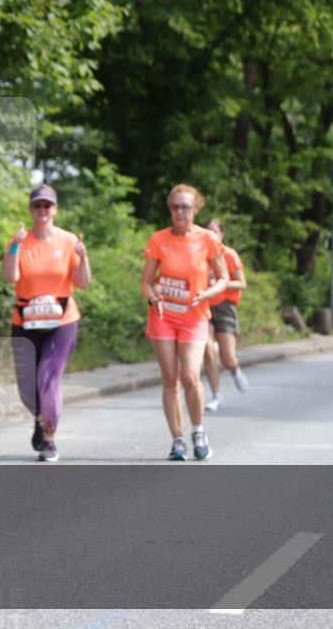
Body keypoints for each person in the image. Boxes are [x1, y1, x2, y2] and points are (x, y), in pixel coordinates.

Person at [2, 184, 91, 462]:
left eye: (47, 206)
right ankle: (41, 418)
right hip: (25, 321)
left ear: (55, 209)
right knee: (27, 385)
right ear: (31, 209)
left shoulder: (67, 241)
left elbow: (83, 283)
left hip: (61, 321)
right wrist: (15, 246)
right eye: (37, 205)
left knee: (48, 378)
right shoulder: (20, 240)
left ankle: (50, 439)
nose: (42, 210)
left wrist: (84, 256)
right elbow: (9, 277)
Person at [140, 184, 229, 461]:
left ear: (196, 208)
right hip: (164, 316)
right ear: (170, 209)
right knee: (170, 379)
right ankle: (177, 439)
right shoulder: (159, 240)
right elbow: (145, 282)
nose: (180, 211)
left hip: (194, 317)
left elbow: (224, 277)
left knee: (191, 377)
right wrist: (153, 297)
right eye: (175, 206)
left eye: (185, 207)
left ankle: (198, 431)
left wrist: (209, 293)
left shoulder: (207, 239)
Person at [201, 218, 249, 411]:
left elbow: (241, 283)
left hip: (225, 305)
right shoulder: (200, 255)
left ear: (222, 235)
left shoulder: (229, 254)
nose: (212, 236)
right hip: (204, 305)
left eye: (215, 232)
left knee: (227, 357)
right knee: (207, 349)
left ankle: (235, 370)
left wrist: (221, 282)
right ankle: (216, 395)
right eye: (208, 232)